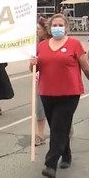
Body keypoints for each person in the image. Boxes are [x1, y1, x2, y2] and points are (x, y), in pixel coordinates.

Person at [30, 14, 89, 178]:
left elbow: (86, 68)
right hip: (47, 93)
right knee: (58, 127)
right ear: (49, 27)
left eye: (61, 25)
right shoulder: (41, 46)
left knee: (58, 127)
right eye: (54, 25)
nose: (57, 28)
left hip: (69, 94)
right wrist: (31, 63)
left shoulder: (74, 44)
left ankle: (50, 164)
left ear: (66, 27)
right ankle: (66, 154)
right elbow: (35, 69)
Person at [35, 18, 50, 146]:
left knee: (57, 109)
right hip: (39, 80)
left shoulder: (52, 42)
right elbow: (31, 68)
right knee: (39, 108)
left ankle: (66, 126)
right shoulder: (35, 45)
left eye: (38, 29)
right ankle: (40, 135)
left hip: (54, 80)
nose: (36, 31)